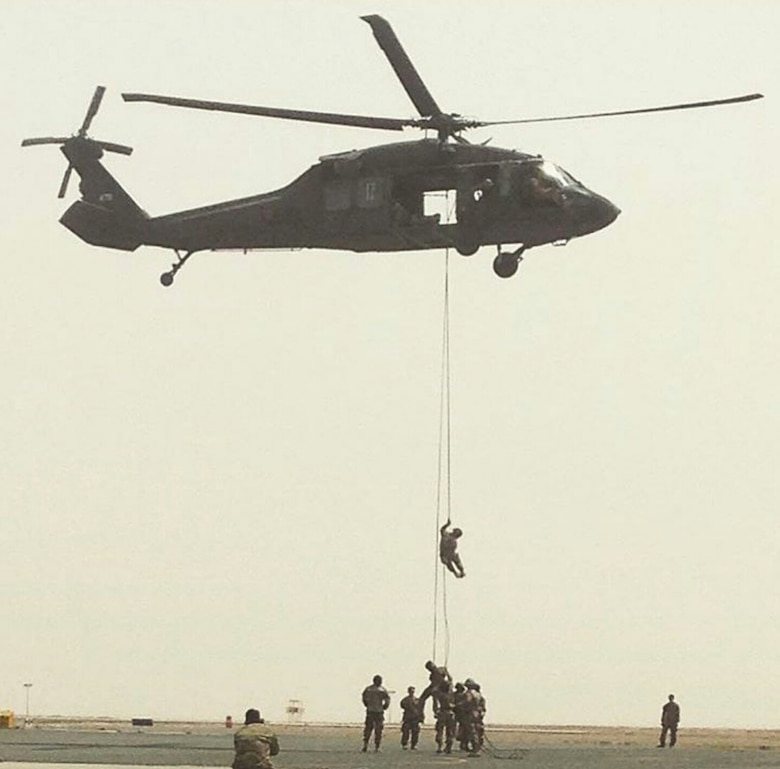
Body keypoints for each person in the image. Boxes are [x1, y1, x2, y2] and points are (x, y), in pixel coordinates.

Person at [361, 674, 391, 752]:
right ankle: (376, 746)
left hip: (371, 711)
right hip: (377, 712)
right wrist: (385, 706)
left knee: (369, 729)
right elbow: (387, 699)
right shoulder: (382, 690)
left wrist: (367, 704)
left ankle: (367, 745)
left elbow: (364, 698)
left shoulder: (368, 689)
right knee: (377, 730)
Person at [432, 681, 457, 754]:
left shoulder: (440, 694)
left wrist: (436, 711)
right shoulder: (451, 695)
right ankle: (448, 747)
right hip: (450, 713)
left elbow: (434, 694)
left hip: (443, 713)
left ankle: (441, 747)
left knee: (440, 730)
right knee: (449, 731)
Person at [399, 685, 423, 750]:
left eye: (413, 691)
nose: (412, 692)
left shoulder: (417, 700)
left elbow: (420, 709)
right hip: (407, 718)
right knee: (405, 732)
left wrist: (421, 718)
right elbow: (402, 706)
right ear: (408, 691)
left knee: (415, 732)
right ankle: (405, 744)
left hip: (415, 718)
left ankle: (414, 745)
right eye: (410, 691)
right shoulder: (405, 700)